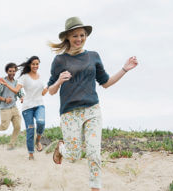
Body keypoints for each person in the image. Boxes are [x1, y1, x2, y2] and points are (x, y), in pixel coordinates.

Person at [48, 17, 138, 190]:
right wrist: (59, 81)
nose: (79, 39)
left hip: (92, 110)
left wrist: (125, 69)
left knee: (93, 153)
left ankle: (95, 187)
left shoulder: (93, 56)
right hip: (69, 113)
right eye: (75, 35)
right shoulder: (60, 60)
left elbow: (106, 82)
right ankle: (61, 148)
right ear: (67, 37)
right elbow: (50, 90)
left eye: (82, 35)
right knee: (74, 155)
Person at [0, 56, 48, 160]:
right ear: (30, 65)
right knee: (30, 130)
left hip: (39, 105)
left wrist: (49, 86)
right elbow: (16, 90)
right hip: (27, 107)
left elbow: (43, 93)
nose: (35, 66)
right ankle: (31, 154)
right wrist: (6, 84)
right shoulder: (24, 77)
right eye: (33, 64)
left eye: (37, 64)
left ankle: (38, 140)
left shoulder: (40, 77)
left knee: (41, 122)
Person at [0, 63, 24, 150]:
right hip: (5, 108)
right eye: (10, 71)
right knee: (4, 127)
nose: (12, 73)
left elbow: (20, 92)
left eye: (13, 71)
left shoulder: (16, 82)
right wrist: (5, 99)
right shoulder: (2, 81)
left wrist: (22, 98)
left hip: (14, 107)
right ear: (7, 71)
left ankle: (11, 145)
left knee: (18, 127)